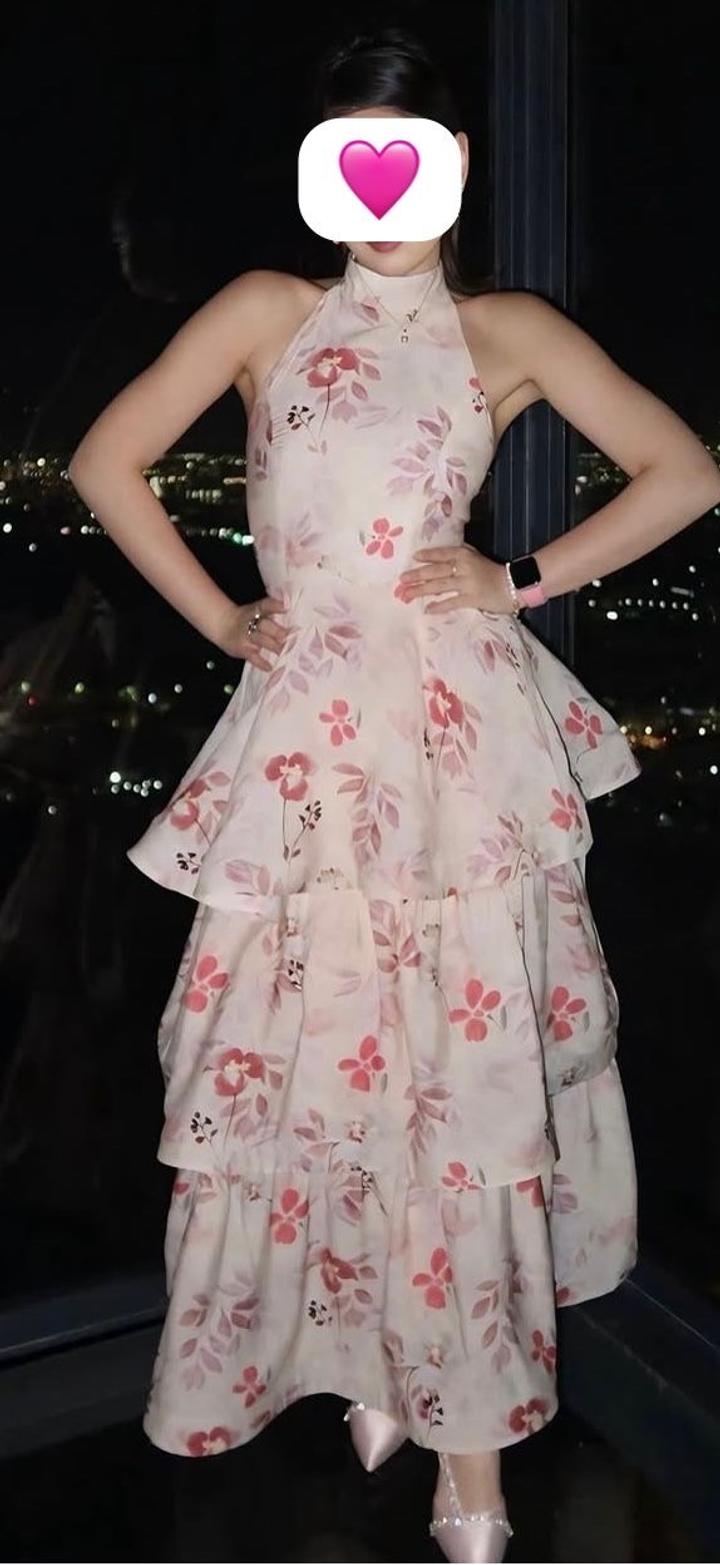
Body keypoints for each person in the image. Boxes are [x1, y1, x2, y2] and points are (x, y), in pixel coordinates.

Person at [68, 24, 720, 1564]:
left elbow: (686, 472)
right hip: (307, 738)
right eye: (350, 157)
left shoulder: (506, 329)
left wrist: (516, 577)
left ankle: (468, 1463)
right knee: (319, 1058)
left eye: (406, 155)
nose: (378, 191)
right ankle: (366, 1354)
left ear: (459, 165)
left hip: (453, 734)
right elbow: (105, 463)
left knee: (457, 1068)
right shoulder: (266, 310)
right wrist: (226, 619)